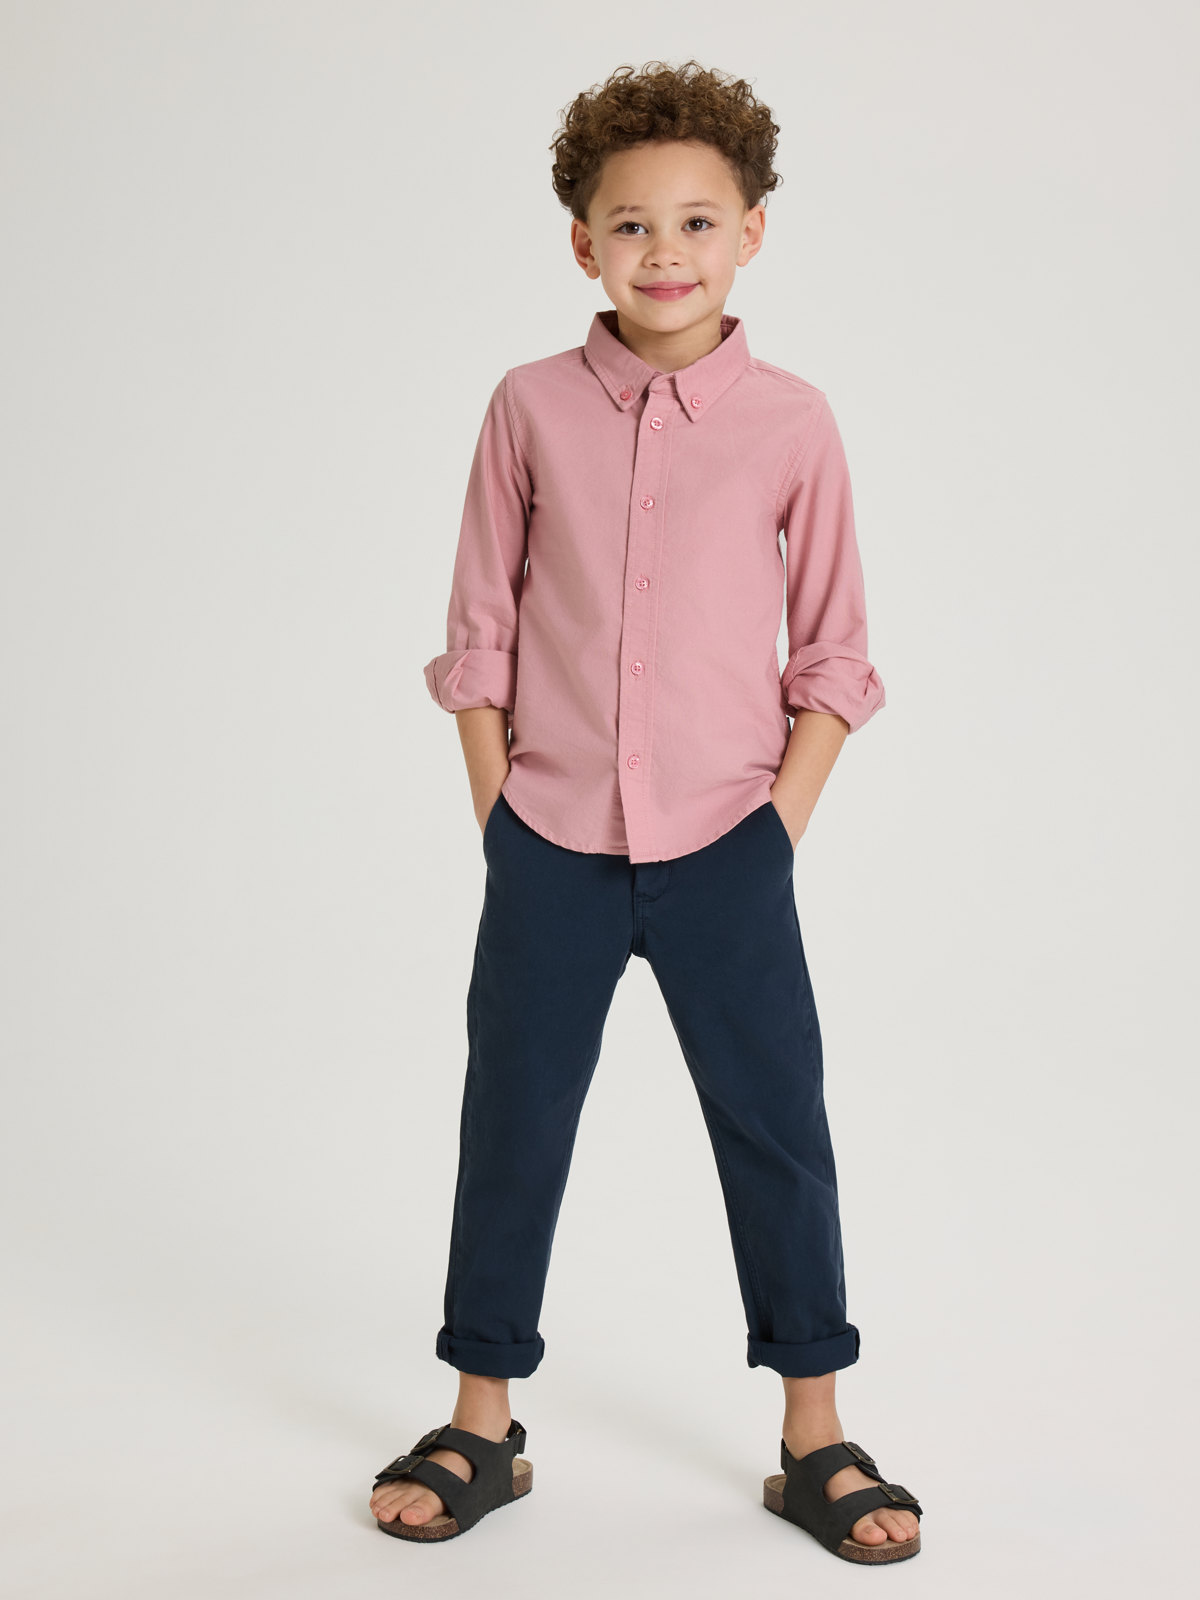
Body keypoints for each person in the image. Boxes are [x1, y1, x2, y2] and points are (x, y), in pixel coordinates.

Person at [369, 59, 925, 1563]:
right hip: (547, 840)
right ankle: (482, 1420)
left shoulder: (795, 423)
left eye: (695, 221)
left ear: (752, 233)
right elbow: (481, 624)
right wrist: (499, 811)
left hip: (727, 843)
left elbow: (836, 649)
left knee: (778, 1128)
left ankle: (816, 1434)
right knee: (513, 1122)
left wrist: (776, 826)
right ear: (582, 243)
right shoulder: (528, 407)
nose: (663, 252)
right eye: (630, 225)